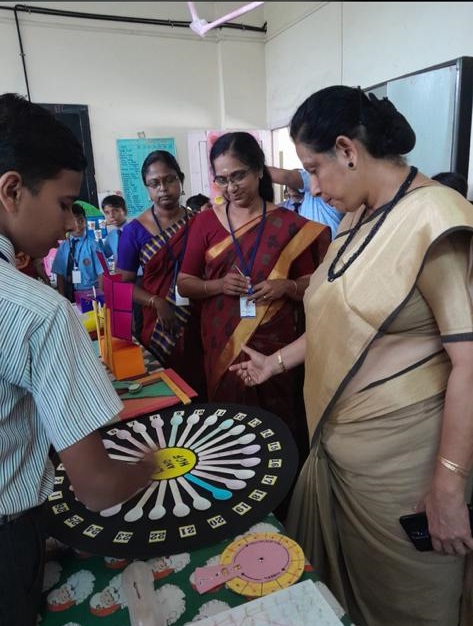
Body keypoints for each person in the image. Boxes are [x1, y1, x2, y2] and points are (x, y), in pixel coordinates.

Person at [230, 86, 473, 626]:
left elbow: (470, 366)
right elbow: (341, 325)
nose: (313, 187)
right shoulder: (357, 217)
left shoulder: (433, 218)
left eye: (314, 169)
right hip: (341, 452)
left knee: (410, 605)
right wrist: (275, 362)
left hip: (404, 467)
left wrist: (449, 486)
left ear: (347, 149)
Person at [0, 93, 155, 626]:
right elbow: (96, 486)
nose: (71, 224)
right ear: (12, 190)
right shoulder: (37, 310)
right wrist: (150, 465)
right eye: (65, 204)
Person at [177, 131, 331, 466]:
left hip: (278, 349)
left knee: (278, 431)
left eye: (238, 176)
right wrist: (218, 286)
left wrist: (287, 287)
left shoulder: (292, 226)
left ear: (259, 170)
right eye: (222, 179)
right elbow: (185, 284)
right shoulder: (205, 222)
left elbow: (319, 285)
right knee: (228, 431)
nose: (231, 187)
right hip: (221, 344)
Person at [116, 150, 205, 397]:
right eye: (154, 183)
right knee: (168, 392)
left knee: (201, 387)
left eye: (169, 180)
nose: (163, 189)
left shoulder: (200, 222)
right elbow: (121, 286)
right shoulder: (134, 231)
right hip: (158, 325)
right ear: (147, 188)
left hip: (199, 320)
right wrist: (156, 302)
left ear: (180, 180)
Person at [268, 164, 343, 237]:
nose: (291, 186)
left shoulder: (315, 183)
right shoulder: (301, 205)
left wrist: (261, 171)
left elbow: (287, 176)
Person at [52, 202, 104, 302]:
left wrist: (100, 296)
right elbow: (60, 275)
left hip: (91, 294)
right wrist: (62, 297)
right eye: (73, 221)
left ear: (85, 221)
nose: (78, 225)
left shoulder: (93, 245)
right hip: (69, 294)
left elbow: (101, 273)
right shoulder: (63, 247)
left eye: (81, 220)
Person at [101, 193, 129, 268]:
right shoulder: (111, 236)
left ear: (125, 211)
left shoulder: (136, 232)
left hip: (140, 274)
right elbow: (104, 254)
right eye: (107, 213)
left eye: (115, 211)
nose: (111, 216)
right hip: (119, 273)